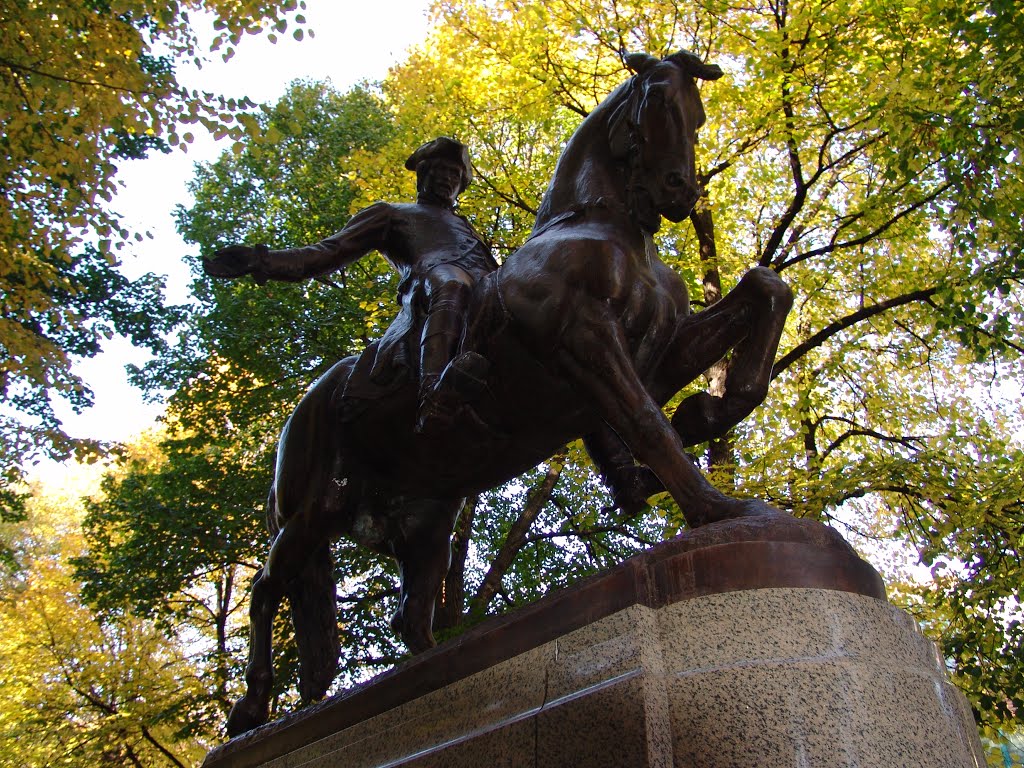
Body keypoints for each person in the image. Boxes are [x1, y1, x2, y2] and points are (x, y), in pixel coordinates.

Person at [203, 137, 499, 432]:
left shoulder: (466, 228)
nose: (448, 179)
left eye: (455, 175)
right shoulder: (390, 213)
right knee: (453, 283)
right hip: (433, 287)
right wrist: (261, 260)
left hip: (483, 284)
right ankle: (434, 393)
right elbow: (327, 253)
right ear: (423, 175)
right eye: (441, 171)